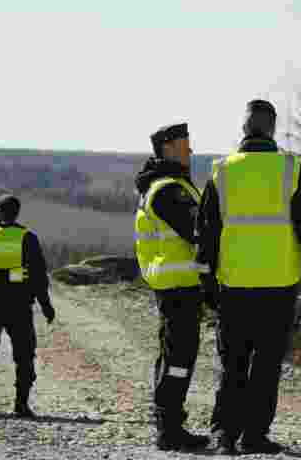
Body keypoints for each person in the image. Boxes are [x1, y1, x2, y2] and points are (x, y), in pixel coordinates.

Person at [196, 99, 301, 455]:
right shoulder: (291, 168)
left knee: (233, 362)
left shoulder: (222, 171)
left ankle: (224, 435)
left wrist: (206, 277)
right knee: (267, 364)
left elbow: (206, 230)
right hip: (279, 283)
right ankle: (254, 435)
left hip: (234, 283)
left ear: (244, 129)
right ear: (271, 128)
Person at [135, 122, 215, 451]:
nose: (191, 151)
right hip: (179, 285)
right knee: (179, 357)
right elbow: (198, 230)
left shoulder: (167, 185)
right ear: (168, 148)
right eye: (185, 145)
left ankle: (167, 422)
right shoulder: (169, 189)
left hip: (176, 284)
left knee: (173, 354)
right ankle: (170, 429)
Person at [0, 194, 55, 418]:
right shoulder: (28, 238)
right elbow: (38, 277)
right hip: (19, 304)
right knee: (24, 355)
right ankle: (21, 405)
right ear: (16, 213)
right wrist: (46, 306)